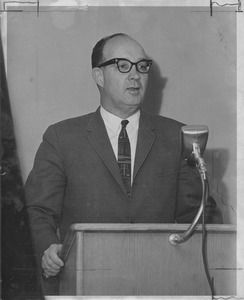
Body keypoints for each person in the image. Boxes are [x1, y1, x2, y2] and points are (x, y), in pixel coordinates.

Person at [24, 33, 222, 294]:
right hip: (86, 285)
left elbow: (199, 215)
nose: (135, 75)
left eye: (142, 66)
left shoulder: (177, 136)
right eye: (122, 65)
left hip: (161, 284)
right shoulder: (62, 138)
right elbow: (36, 211)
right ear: (99, 76)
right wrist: (48, 248)